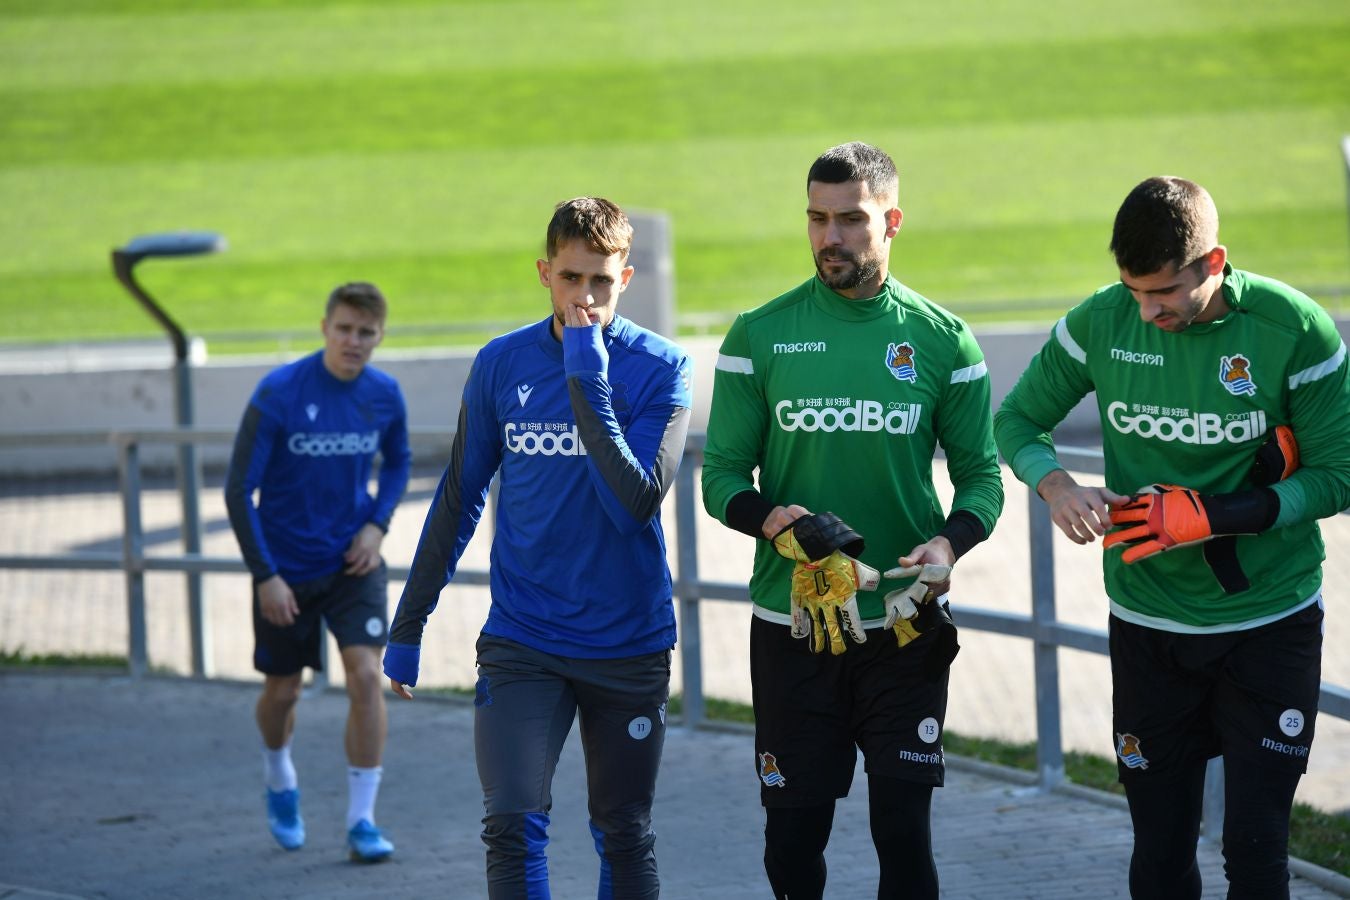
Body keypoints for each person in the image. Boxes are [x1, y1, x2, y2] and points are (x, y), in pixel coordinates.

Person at [994, 176, 1350, 899]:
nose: (1146, 310)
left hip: (1270, 626)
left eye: (1164, 294)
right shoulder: (1102, 321)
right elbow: (1016, 422)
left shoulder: (1296, 329)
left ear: (1213, 263)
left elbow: (1339, 478)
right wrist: (1057, 486)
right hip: (1148, 627)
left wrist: (1214, 515)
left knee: (1254, 852)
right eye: (1133, 291)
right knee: (1158, 853)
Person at [701, 141, 1005, 900]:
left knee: (903, 834)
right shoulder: (758, 335)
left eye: (850, 220)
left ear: (892, 221)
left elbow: (982, 481)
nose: (828, 238)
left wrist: (948, 544)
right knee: (792, 844)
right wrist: (779, 524)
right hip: (794, 626)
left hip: (903, 626)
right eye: (816, 218)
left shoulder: (943, 340)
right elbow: (720, 480)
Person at [382, 197, 693, 899]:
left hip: (627, 644)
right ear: (544, 273)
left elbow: (632, 503)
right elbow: (458, 497)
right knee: (512, 825)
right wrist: (409, 624)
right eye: (571, 278)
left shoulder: (662, 368)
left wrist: (586, 374)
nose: (586, 297)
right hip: (525, 640)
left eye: (602, 283)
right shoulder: (501, 364)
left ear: (627, 277)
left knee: (623, 830)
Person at [224, 281, 411, 862]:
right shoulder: (279, 392)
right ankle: (279, 776)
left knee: (364, 676)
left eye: (366, 332)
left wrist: (378, 524)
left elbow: (400, 460)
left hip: (353, 566)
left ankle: (362, 822)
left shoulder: (384, 395)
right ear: (325, 328)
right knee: (283, 691)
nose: (354, 341)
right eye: (345, 329)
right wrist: (265, 576)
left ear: (380, 336)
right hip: (286, 571)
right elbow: (238, 489)